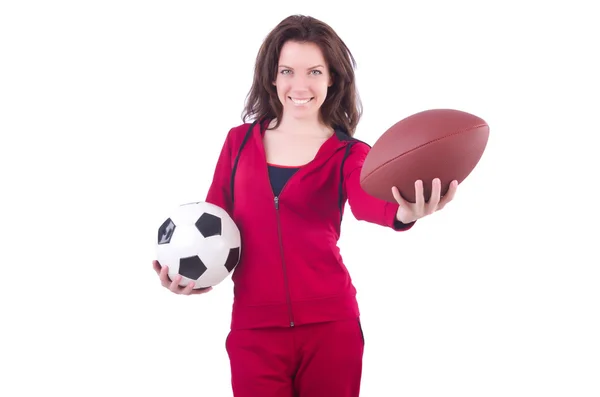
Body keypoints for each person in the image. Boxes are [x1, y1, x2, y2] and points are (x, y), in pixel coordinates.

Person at [152, 14, 458, 397]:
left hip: (332, 328)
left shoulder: (349, 153)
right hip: (254, 332)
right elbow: (215, 226)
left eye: (314, 71)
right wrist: (192, 277)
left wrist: (404, 212)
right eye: (287, 71)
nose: (300, 85)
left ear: (332, 78)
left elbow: (368, 201)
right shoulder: (237, 143)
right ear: (273, 78)